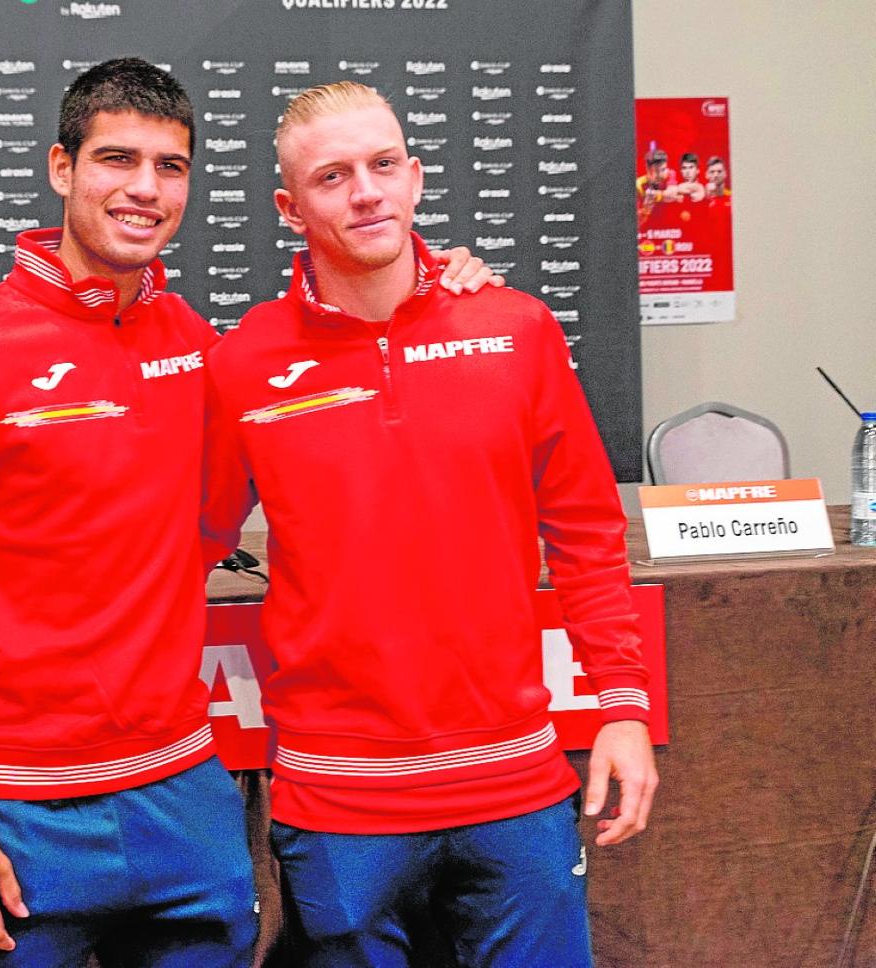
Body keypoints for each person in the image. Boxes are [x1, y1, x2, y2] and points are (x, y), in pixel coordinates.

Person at [0, 60, 498, 968]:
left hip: (185, 800)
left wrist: (439, 290)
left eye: (170, 166)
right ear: (62, 168)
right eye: (117, 160)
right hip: (12, 814)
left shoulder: (197, 347)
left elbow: (337, 391)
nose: (144, 189)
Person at [202, 81, 658, 968]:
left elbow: (588, 537)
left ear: (414, 178)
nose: (365, 192)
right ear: (290, 208)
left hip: (515, 784)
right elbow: (177, 544)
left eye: (382, 166)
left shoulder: (515, 328)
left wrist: (623, 706)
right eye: (332, 177)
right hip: (340, 800)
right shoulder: (245, 362)